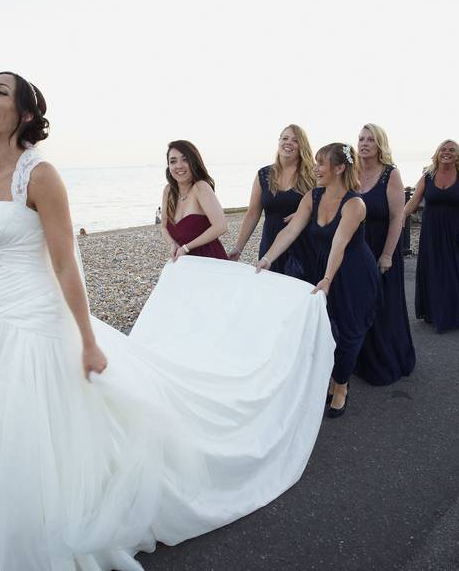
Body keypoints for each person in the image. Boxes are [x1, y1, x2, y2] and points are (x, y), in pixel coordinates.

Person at [0, 71, 337, 570]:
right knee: (12, 434)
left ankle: (51, 536)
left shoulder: (41, 175)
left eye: (1, 92)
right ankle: (35, 522)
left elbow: (65, 263)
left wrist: (86, 338)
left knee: (40, 429)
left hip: (43, 323)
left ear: (24, 115)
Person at [257, 143, 380, 417]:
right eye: (315, 162)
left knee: (349, 331)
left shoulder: (355, 203)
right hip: (323, 269)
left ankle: (341, 385)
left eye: (321, 163)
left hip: (353, 272)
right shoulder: (313, 196)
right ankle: (332, 375)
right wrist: (266, 259)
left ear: (339, 168)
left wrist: (327, 278)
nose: (315, 168)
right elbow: (290, 232)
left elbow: (340, 242)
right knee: (323, 330)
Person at [353, 123, 415, 385]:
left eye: (370, 139)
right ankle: (359, 359)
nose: (364, 143)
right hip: (355, 249)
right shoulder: (351, 173)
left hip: (381, 246)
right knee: (357, 304)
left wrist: (388, 254)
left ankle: (386, 359)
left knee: (382, 305)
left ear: (380, 144)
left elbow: (396, 217)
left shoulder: (391, 174)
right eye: (361, 139)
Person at [404, 140, 459, 333]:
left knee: (455, 272)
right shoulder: (428, 176)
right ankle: (434, 312)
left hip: (456, 230)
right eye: (443, 150)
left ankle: (456, 313)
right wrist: (398, 217)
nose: (447, 153)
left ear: (458, 155)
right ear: (437, 154)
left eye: (451, 150)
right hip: (432, 231)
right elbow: (413, 202)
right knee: (434, 270)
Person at [227, 125, 315, 270]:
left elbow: (327, 206)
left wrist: (305, 214)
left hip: (303, 244)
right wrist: (238, 248)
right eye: (285, 138)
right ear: (279, 141)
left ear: (302, 146)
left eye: (295, 140)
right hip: (270, 244)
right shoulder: (264, 174)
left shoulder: (312, 175)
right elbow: (252, 214)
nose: (288, 142)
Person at [160, 140, 229, 260]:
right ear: (169, 166)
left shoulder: (201, 187)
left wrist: (186, 248)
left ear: (194, 162)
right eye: (173, 161)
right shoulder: (168, 191)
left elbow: (221, 226)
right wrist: (172, 244)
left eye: (185, 159)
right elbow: (163, 227)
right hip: (184, 262)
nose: (179, 165)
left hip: (209, 260)